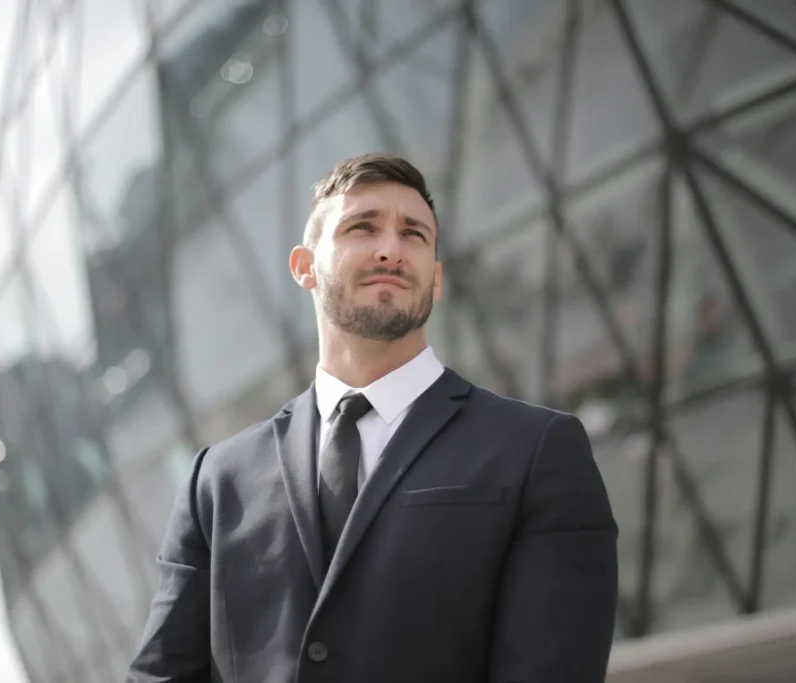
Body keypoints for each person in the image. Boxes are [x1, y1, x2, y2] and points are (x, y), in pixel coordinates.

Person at [127, 153, 618, 683]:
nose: (391, 249)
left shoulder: (537, 451)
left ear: (436, 279)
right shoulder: (216, 482)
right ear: (303, 266)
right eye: (362, 227)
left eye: (414, 235)